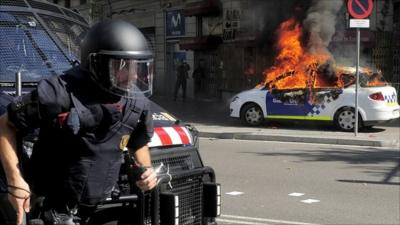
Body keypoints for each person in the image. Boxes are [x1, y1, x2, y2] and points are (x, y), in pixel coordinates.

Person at [0, 19, 157, 225]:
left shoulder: (136, 102)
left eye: (137, 66)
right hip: (52, 209)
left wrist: (146, 170)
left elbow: (138, 142)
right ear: (97, 64)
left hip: (105, 207)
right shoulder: (58, 93)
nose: (134, 74)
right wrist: (15, 181)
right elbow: (5, 125)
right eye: (123, 66)